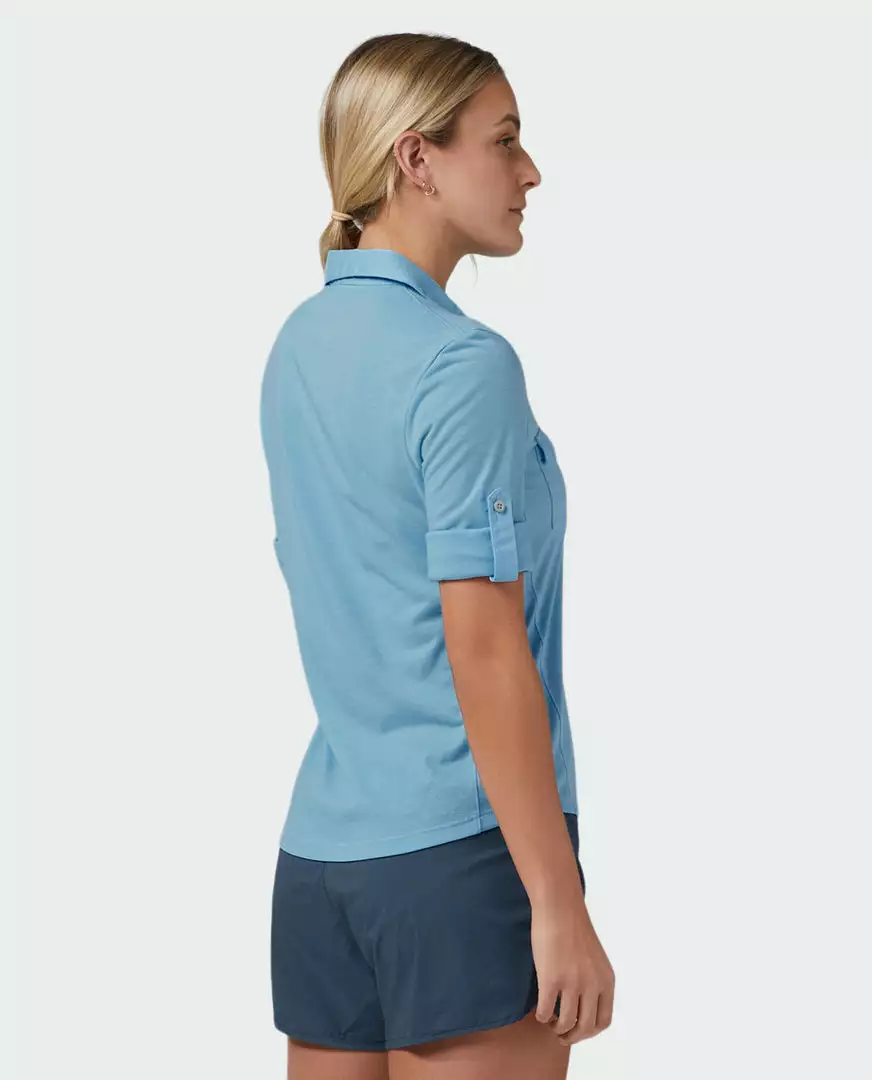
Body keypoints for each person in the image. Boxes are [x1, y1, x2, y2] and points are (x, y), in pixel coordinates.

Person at [259, 31, 615, 1080]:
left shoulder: (297, 349)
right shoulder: (462, 366)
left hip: (325, 863)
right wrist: (556, 899)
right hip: (463, 858)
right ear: (416, 158)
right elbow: (484, 649)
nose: (529, 170)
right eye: (503, 140)